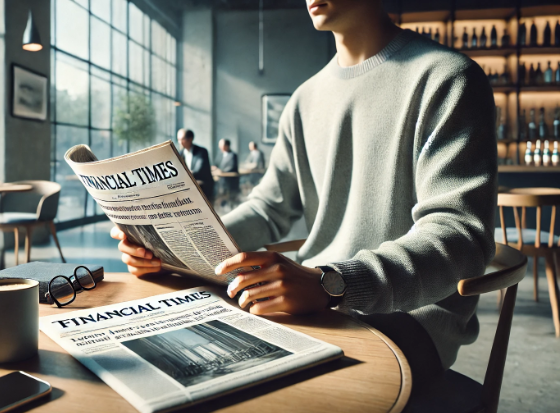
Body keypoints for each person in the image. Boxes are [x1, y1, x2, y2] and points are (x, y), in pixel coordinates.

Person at [112, 0, 496, 391]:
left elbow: (459, 235)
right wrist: (177, 247)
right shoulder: (304, 99)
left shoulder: (447, 78)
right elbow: (268, 209)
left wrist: (334, 283)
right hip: (312, 297)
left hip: (410, 316)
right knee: (173, 365)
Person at [176, 128, 215, 202]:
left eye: (183, 139)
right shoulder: (180, 153)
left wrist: (185, 174)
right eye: (178, 139)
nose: (180, 142)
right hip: (189, 185)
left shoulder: (201, 151)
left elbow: (199, 169)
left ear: (190, 139)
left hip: (203, 186)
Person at [213, 139, 239, 203]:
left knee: (230, 198)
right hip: (220, 180)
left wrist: (221, 171)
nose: (220, 147)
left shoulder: (233, 155)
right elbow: (216, 164)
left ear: (227, 146)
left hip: (230, 181)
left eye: (221, 145)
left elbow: (231, 167)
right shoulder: (220, 154)